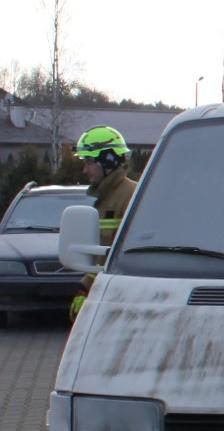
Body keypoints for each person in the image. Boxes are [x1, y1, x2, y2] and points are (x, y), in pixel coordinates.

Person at [67, 126, 139, 322]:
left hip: (121, 299)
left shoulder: (131, 196)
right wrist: (85, 287)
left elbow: (122, 256)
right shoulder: (107, 197)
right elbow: (103, 254)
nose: (85, 169)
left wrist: (89, 288)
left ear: (109, 160)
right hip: (107, 294)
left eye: (89, 162)